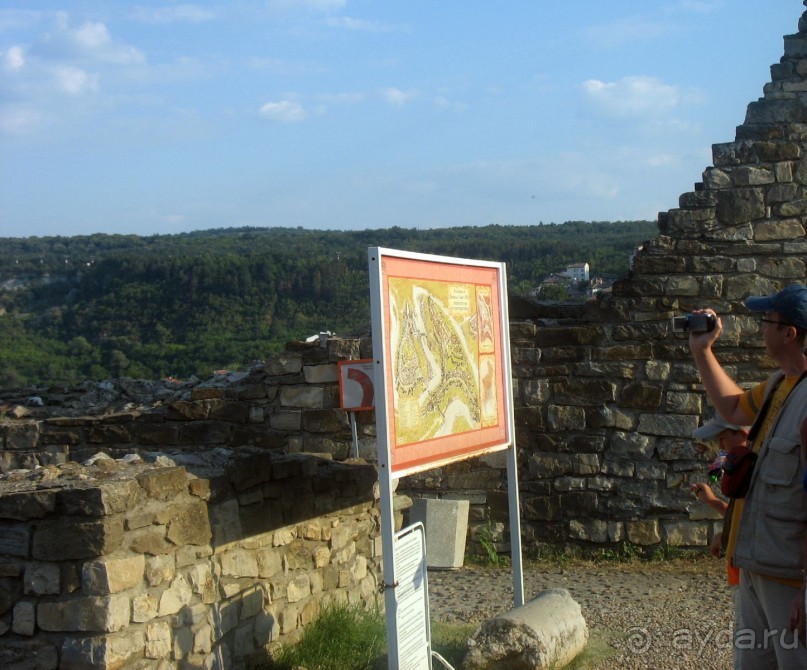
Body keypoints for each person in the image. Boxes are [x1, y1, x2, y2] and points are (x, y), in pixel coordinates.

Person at [688, 283, 807, 669]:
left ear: (789, 333)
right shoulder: (780, 384)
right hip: (758, 566)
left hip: (791, 578)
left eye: (767, 320)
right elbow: (734, 409)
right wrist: (702, 350)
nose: (760, 327)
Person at [688, 413, 749, 563]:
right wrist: (713, 502)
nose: (720, 446)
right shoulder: (749, 469)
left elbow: (760, 528)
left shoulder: (761, 471)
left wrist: (727, 537)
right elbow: (743, 517)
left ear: (743, 435)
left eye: (722, 438)